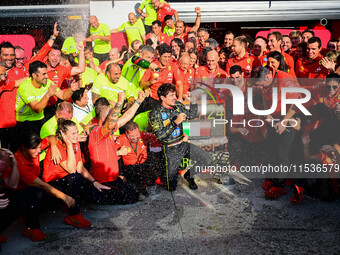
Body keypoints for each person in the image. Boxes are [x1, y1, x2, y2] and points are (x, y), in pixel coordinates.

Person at [3, 132, 76, 242]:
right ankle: (31, 228)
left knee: (53, 201)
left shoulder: (34, 146)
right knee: (36, 192)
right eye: (35, 149)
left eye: (39, 147)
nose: (39, 151)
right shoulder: (19, 164)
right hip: (11, 196)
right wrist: (65, 197)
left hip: (30, 189)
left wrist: (54, 146)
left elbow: (51, 137)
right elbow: (42, 185)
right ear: (23, 147)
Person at [43, 120, 110, 227]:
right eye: (73, 133)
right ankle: (73, 215)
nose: (77, 136)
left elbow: (79, 167)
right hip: (52, 186)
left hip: (68, 180)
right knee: (74, 177)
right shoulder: (59, 146)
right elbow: (72, 170)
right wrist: (69, 146)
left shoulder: (75, 143)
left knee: (100, 195)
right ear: (63, 135)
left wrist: (94, 181)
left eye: (77, 132)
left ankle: (69, 205)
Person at [149, 83, 213, 191]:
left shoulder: (178, 105)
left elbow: (191, 115)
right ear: (162, 97)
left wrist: (193, 102)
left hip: (183, 143)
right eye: (172, 95)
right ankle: (169, 175)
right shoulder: (155, 113)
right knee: (171, 187)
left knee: (207, 160)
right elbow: (160, 136)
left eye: (175, 95)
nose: (175, 98)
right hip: (170, 149)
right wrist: (175, 122)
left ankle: (188, 174)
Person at [88, 91, 146, 204]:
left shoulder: (107, 129)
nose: (115, 116)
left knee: (135, 192)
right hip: (104, 181)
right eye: (112, 114)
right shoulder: (98, 131)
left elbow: (126, 117)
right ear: (106, 117)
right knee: (132, 196)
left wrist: (139, 101)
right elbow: (110, 123)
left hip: (112, 178)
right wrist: (119, 102)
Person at [251, 66, 301, 198]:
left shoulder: (285, 80)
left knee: (281, 150)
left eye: (261, 85)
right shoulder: (264, 82)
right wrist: (267, 114)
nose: (260, 88)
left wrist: (284, 122)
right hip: (276, 116)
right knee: (271, 147)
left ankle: (279, 185)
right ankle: (272, 177)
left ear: (267, 77)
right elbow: (263, 95)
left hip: (292, 115)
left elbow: (296, 103)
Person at [15, 61, 80, 134]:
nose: (47, 76)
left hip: (40, 118)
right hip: (25, 120)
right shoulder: (25, 87)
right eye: (44, 74)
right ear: (34, 75)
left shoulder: (47, 82)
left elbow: (63, 96)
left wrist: (71, 90)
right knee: (34, 145)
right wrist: (48, 94)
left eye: (46, 73)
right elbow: (37, 109)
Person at [116, 121, 161, 195]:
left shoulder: (143, 135)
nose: (135, 137)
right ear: (126, 133)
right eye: (132, 136)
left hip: (144, 164)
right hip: (130, 168)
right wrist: (119, 174)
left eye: (137, 134)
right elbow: (113, 157)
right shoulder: (121, 139)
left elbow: (158, 138)